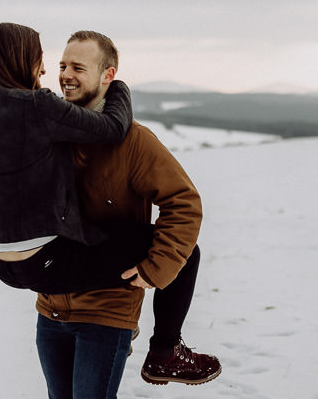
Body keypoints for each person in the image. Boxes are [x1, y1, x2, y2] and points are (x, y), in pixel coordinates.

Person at [35, 31, 221, 398]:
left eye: (77, 67)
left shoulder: (135, 142)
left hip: (107, 310)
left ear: (108, 75)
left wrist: (155, 268)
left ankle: (166, 348)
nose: (66, 75)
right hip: (51, 307)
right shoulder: (50, 136)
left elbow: (184, 202)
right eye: (62, 66)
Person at [0, 23, 172, 296]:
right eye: (38, 57)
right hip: (44, 257)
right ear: (20, 58)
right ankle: (164, 339)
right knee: (178, 254)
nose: (44, 69)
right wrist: (116, 85)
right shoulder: (38, 105)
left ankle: (117, 324)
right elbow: (112, 127)